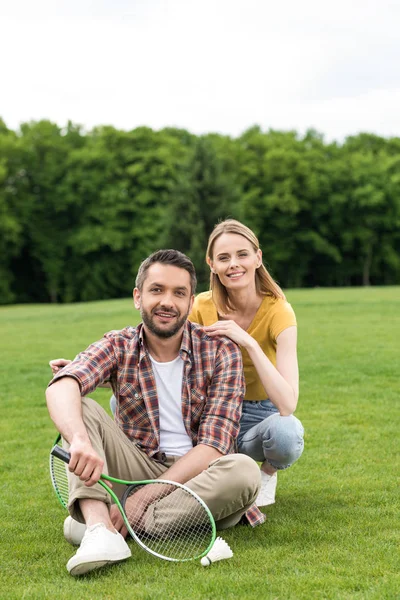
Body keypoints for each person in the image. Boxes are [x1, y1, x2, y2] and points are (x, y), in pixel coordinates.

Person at [46, 249, 263, 577]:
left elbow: (213, 447)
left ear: (191, 303)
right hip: (136, 465)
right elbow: (63, 384)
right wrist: (78, 439)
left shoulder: (221, 352)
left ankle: (107, 522)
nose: (167, 302)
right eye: (157, 290)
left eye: (179, 293)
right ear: (138, 297)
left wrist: (142, 498)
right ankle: (100, 529)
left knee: (245, 472)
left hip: (197, 476)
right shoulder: (119, 344)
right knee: (82, 407)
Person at [188, 220, 304, 507]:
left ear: (257, 258)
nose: (233, 264)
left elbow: (287, 405)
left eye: (242, 254)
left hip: (259, 416)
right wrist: (100, 376)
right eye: (223, 258)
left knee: (287, 433)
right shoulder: (201, 307)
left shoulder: (279, 311)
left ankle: (266, 475)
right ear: (211, 264)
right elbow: (161, 357)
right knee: (123, 403)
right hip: (212, 414)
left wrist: (249, 343)